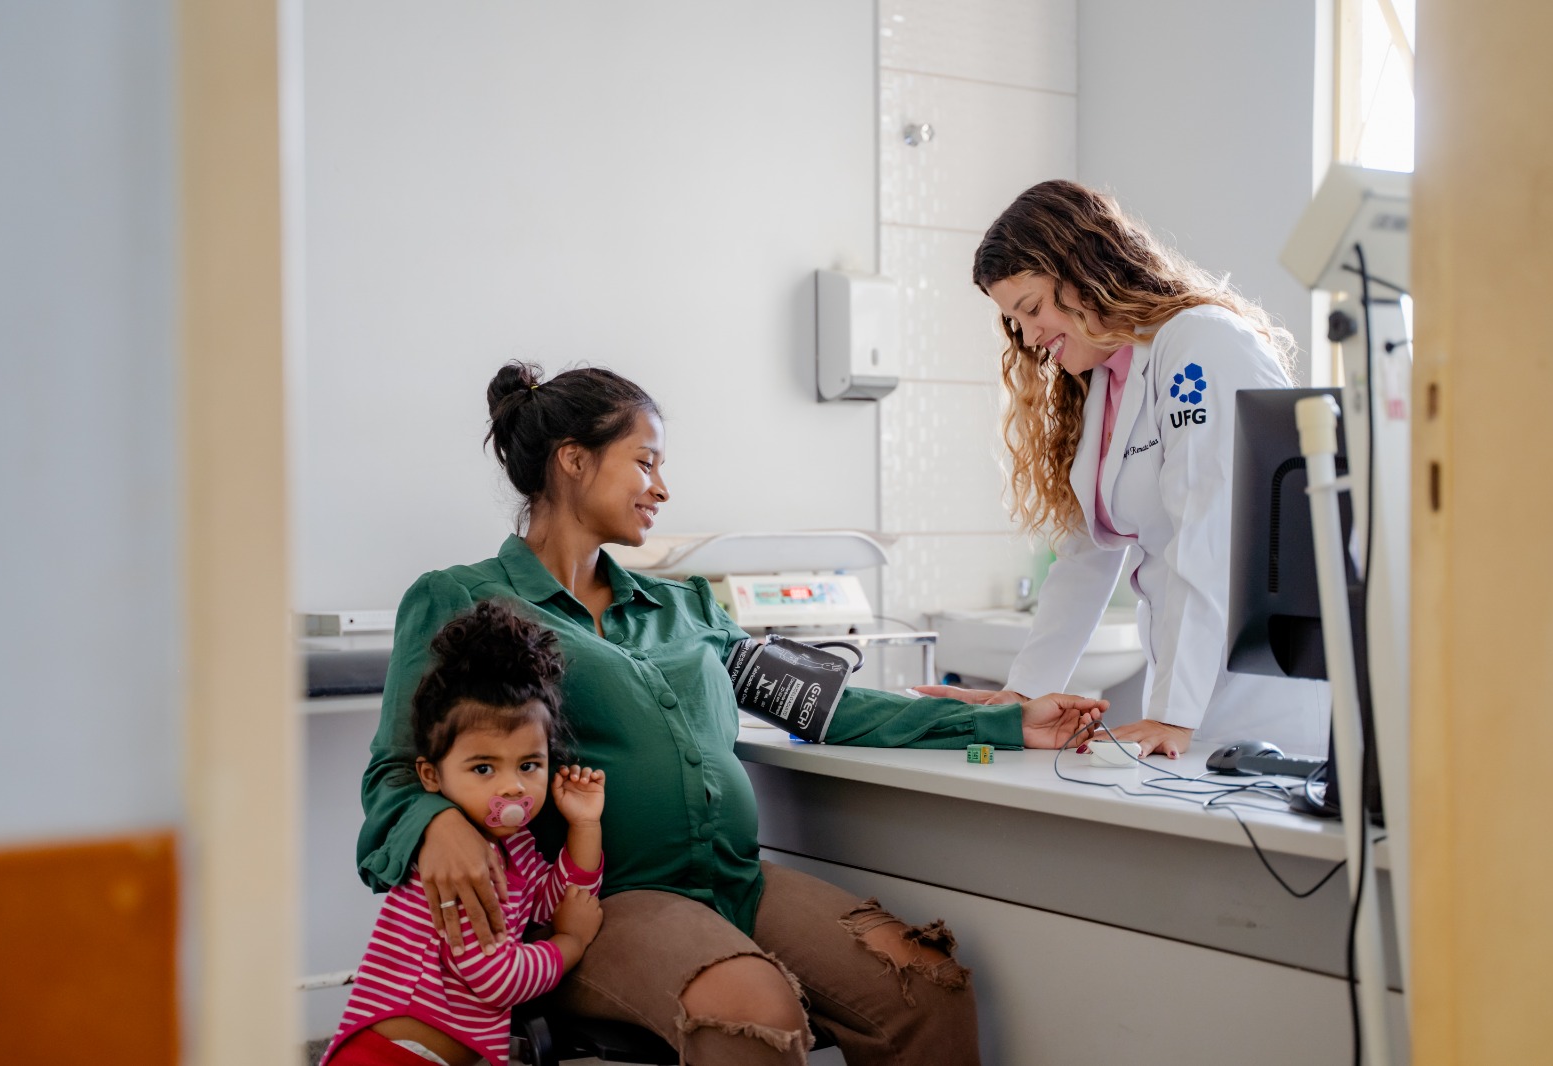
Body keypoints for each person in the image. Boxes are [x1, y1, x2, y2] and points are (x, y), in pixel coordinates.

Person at [357, 362, 1108, 1065]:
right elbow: (396, 772)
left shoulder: (685, 606)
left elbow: (828, 706)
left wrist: (1006, 722)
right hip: (598, 903)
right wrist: (438, 824)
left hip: (733, 881)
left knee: (925, 986)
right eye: (645, 462)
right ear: (573, 460)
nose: (662, 488)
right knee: (753, 1009)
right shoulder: (463, 598)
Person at [919, 180, 1328, 759]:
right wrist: (1022, 694)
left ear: (1084, 270)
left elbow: (1209, 532)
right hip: (1192, 692)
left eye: (1032, 309)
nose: (1030, 337)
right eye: (1015, 321)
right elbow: (1085, 558)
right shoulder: (1107, 383)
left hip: (1259, 693)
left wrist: (1172, 714)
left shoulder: (1199, 343)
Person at [325, 600, 606, 1066]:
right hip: (391, 1055)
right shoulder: (452, 862)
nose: (513, 787)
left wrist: (584, 824)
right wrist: (569, 944)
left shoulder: (514, 845)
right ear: (431, 775)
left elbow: (553, 902)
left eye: (529, 765)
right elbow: (497, 978)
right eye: (483, 768)